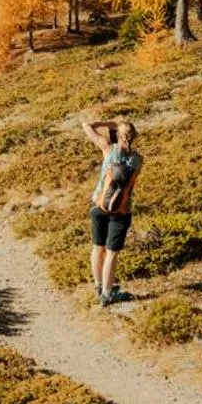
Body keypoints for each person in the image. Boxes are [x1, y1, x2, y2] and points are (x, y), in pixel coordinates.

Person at [82, 117, 141, 305]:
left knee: (97, 247)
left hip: (99, 206)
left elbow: (86, 125)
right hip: (121, 211)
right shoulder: (138, 160)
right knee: (112, 252)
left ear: (118, 134)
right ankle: (107, 293)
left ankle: (99, 285)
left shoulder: (107, 149)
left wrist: (109, 124)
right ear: (134, 137)